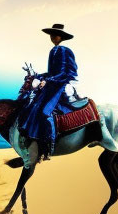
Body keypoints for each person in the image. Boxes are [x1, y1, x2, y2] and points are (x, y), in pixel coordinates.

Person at [20, 23, 78, 161]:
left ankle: (49, 146)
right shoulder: (53, 50)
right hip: (52, 84)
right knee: (33, 105)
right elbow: (51, 72)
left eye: (55, 34)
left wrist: (48, 80)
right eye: (51, 34)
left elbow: (64, 72)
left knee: (46, 111)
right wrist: (38, 76)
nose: (53, 36)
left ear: (61, 36)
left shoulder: (64, 50)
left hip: (61, 84)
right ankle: (34, 140)